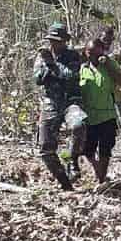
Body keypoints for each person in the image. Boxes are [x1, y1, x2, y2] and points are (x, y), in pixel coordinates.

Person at [33, 22, 84, 190]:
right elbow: (38, 79)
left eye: (58, 40)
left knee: (78, 126)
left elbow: (71, 76)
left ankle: (72, 159)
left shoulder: (73, 56)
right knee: (45, 148)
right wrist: (48, 64)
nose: (54, 44)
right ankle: (65, 182)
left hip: (70, 101)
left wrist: (53, 66)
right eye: (52, 40)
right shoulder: (43, 56)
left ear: (64, 41)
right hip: (51, 102)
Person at [79, 39, 121, 183]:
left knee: (105, 149)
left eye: (97, 52)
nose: (93, 56)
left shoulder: (108, 66)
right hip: (88, 117)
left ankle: (101, 179)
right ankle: (98, 170)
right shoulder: (82, 69)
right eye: (90, 53)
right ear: (86, 53)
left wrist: (108, 63)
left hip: (107, 115)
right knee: (87, 150)